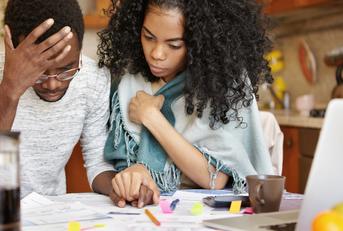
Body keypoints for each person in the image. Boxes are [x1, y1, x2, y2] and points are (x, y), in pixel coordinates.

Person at [98, 0, 275, 207]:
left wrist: (152, 117)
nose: (156, 54)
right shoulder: (129, 82)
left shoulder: (223, 85)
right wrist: (130, 179)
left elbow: (215, 178)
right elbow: (119, 165)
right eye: (148, 37)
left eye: (174, 45)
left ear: (200, 41)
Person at [0, 0, 154, 207]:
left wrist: (119, 189)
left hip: (49, 213)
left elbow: (96, 160)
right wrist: (10, 91)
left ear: (80, 50)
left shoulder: (93, 79)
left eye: (67, 69)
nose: (53, 83)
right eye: (38, 71)